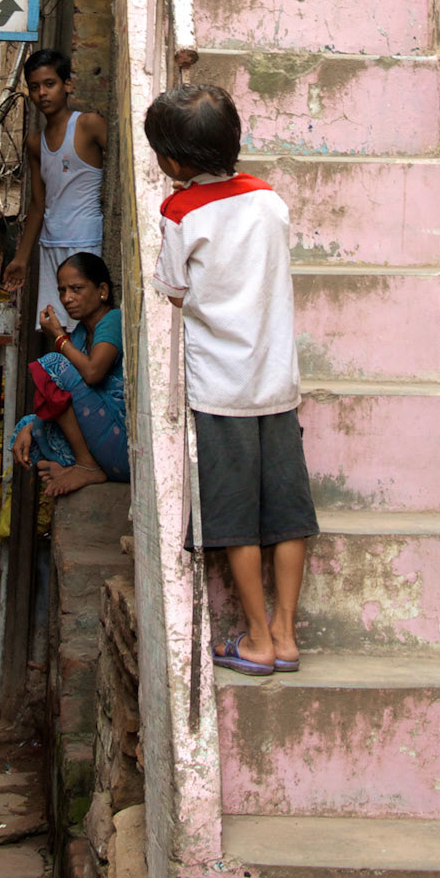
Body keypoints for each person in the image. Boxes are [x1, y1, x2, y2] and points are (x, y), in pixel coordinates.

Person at [144, 84, 318, 677]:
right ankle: (288, 635)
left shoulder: (180, 211)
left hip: (221, 389)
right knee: (288, 513)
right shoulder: (271, 201)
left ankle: (256, 638)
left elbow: (172, 289)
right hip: (277, 382)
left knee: (237, 519)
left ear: (173, 162)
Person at [1, 50, 106, 332]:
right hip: (50, 246)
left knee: (91, 327)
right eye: (34, 88)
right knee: (55, 328)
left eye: (50, 84)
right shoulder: (35, 143)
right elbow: (38, 204)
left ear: (67, 85)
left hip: (86, 242)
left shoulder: (88, 125)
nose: (42, 94)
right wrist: (21, 259)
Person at [10, 253, 127, 501]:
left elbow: (93, 372)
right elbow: (64, 403)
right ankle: (76, 466)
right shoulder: (81, 334)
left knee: (53, 364)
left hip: (122, 444)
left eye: (76, 289)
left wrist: (58, 337)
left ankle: (86, 466)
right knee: (33, 428)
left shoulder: (113, 320)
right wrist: (29, 426)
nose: (66, 299)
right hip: (105, 442)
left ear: (102, 290)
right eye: (62, 290)